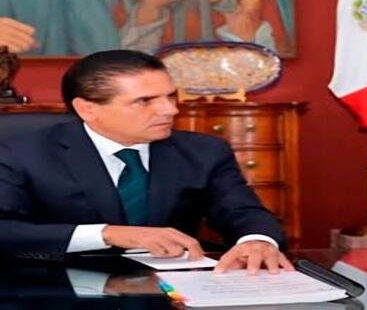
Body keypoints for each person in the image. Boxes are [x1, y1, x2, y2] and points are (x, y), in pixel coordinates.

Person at [0, 50, 292, 273]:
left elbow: (242, 211)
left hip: (173, 299)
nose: (169, 110)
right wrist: (107, 234)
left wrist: (256, 240)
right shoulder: (22, 153)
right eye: (145, 101)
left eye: (170, 96)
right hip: (60, 294)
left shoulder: (204, 151)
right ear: (87, 109)